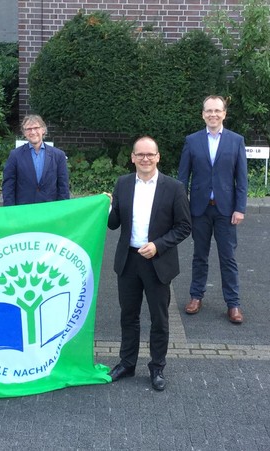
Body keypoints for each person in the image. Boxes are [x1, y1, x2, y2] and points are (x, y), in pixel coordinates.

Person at [107, 136, 191, 391]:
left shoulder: (174, 187)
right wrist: (106, 206)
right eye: (140, 154)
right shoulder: (122, 184)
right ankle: (127, 363)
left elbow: (184, 227)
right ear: (132, 157)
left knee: (159, 319)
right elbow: (113, 224)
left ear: (158, 157)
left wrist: (158, 245)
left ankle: (157, 368)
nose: (145, 159)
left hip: (157, 262)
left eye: (150, 154)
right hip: (128, 262)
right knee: (128, 316)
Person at [178, 95, 248, 324]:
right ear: (202, 114)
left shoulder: (236, 141)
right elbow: (182, 178)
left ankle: (233, 304)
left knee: (228, 258)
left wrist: (240, 208)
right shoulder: (192, 140)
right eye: (208, 111)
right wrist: (182, 207)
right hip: (199, 209)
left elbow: (241, 178)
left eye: (217, 110)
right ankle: (196, 296)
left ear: (224, 114)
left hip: (226, 210)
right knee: (200, 256)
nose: (213, 115)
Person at [2, 114, 70, 206]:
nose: (33, 132)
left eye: (36, 128)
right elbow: (8, 187)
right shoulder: (15, 155)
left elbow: (63, 187)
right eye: (28, 129)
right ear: (24, 133)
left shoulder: (58, 155)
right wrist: (9, 212)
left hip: (50, 210)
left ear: (43, 130)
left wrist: (63, 212)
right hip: (24, 210)